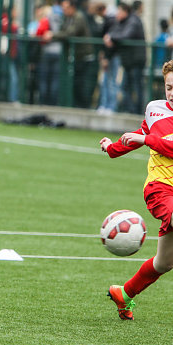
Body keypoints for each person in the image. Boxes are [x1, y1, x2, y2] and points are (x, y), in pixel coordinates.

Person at [100, 59, 173, 321]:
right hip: (161, 189)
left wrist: (147, 139)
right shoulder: (155, 109)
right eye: (168, 87)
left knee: (163, 263)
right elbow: (140, 134)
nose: (172, 93)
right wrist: (112, 148)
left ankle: (124, 293)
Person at [43, 0, 95, 109]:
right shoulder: (67, 18)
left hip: (84, 57)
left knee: (82, 84)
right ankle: (75, 106)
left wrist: (53, 35)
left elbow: (70, 33)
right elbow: (63, 30)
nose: (63, 10)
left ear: (72, 7)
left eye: (66, 8)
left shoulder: (79, 17)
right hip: (74, 57)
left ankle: (83, 107)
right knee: (74, 83)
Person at [103, 2, 146, 115]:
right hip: (128, 61)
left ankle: (138, 112)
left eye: (119, 11)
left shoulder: (133, 21)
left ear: (125, 11)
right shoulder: (122, 22)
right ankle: (130, 110)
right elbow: (115, 32)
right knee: (125, 87)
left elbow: (126, 35)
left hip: (136, 60)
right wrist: (110, 37)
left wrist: (111, 37)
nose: (117, 14)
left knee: (137, 87)